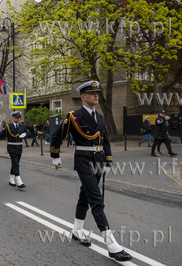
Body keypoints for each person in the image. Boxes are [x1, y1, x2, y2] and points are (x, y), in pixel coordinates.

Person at [50, 81, 132, 262]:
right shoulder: (74, 116)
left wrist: (108, 160)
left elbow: (106, 141)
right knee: (96, 199)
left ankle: (77, 230)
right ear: (83, 97)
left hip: (98, 161)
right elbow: (58, 134)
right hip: (83, 161)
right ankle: (111, 244)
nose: (96, 95)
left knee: (85, 196)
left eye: (97, 92)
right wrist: (55, 154)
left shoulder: (100, 118)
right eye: (92, 93)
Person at [0, 111, 32, 188]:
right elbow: (1, 135)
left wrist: (25, 134)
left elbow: (30, 133)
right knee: (16, 163)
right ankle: (19, 181)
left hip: (19, 147)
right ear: (12, 118)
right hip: (11, 147)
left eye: (18, 118)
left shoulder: (22, 126)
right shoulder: (8, 126)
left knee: (15, 163)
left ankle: (11, 179)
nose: (17, 119)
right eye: (16, 117)